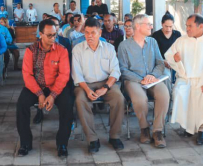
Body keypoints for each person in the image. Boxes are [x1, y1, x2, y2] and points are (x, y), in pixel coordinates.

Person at [16, 19, 72, 157]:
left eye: (55, 35)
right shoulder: (31, 50)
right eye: (49, 35)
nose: (53, 38)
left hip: (56, 87)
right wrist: (39, 93)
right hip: (36, 86)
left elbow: (64, 75)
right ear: (40, 34)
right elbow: (27, 75)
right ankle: (25, 143)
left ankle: (62, 143)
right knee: (21, 105)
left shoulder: (62, 50)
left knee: (68, 105)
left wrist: (52, 95)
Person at [165, 14, 203, 145]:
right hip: (186, 78)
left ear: (201, 26)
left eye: (190, 26)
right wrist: (175, 60)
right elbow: (169, 55)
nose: (187, 29)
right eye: (186, 26)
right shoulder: (182, 40)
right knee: (180, 93)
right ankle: (188, 127)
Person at [72, 18, 125, 152]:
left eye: (93, 33)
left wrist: (105, 88)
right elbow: (77, 74)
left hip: (105, 82)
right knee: (80, 100)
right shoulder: (77, 49)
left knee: (119, 98)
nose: (90, 36)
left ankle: (114, 136)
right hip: (84, 84)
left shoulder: (109, 48)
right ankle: (92, 139)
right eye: (87, 32)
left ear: (100, 33)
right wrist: (87, 90)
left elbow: (115, 71)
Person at [118, 14, 169, 148]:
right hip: (133, 80)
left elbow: (160, 63)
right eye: (148, 24)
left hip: (153, 79)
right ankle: (144, 128)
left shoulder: (152, 42)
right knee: (140, 99)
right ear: (138, 27)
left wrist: (152, 75)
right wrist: (141, 80)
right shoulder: (124, 46)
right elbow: (122, 70)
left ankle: (157, 131)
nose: (151, 26)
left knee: (164, 94)